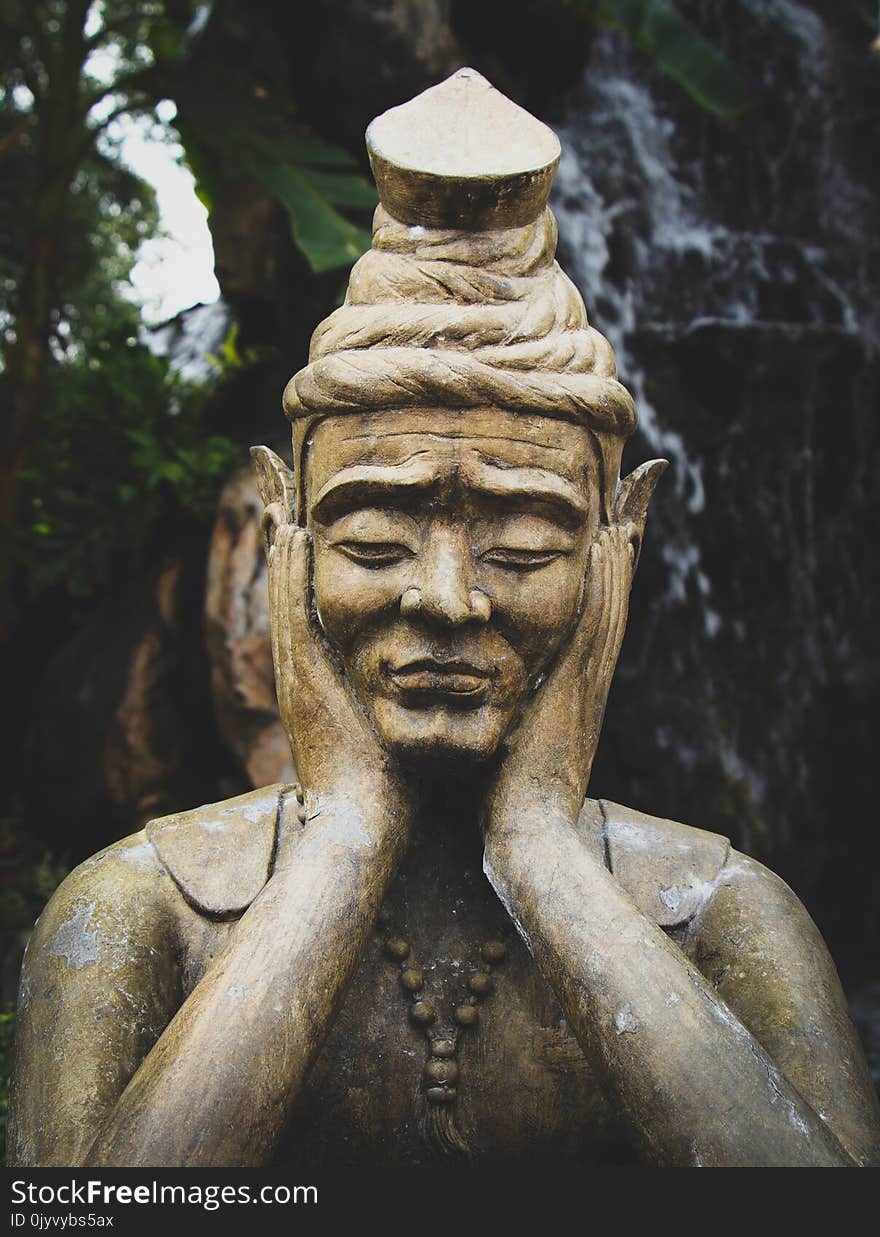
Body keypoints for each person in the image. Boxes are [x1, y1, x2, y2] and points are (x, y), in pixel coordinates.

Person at [9, 70, 880, 1168]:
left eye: (524, 545)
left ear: (620, 541)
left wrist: (542, 849)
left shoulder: (719, 915)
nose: (447, 598)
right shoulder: (141, 909)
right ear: (287, 533)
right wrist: (345, 836)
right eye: (373, 538)